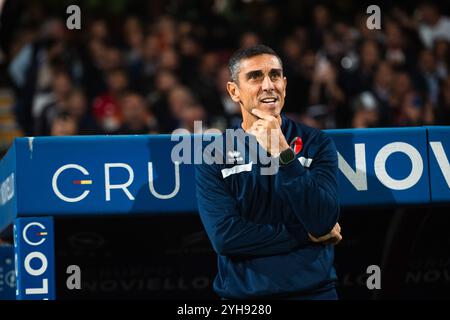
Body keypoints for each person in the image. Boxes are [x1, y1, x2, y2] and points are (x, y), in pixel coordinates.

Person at [195, 45, 342, 300]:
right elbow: (225, 237)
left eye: (275, 75)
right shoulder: (214, 155)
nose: (268, 85)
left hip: (315, 293)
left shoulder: (317, 143)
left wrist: (284, 153)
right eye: (254, 77)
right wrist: (302, 234)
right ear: (234, 91)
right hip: (245, 299)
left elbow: (321, 220)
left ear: (284, 84)